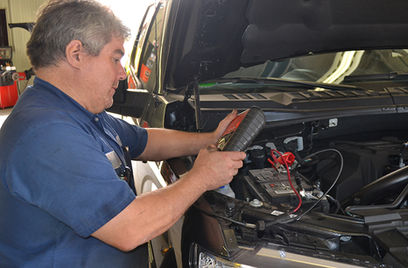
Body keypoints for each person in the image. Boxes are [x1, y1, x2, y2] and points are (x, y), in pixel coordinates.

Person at [0, 0, 246, 267]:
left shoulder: (76, 112)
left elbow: (144, 140)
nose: (120, 73)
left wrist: (212, 139)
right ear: (76, 54)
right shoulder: (47, 134)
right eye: (115, 58)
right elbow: (130, 228)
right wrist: (201, 177)